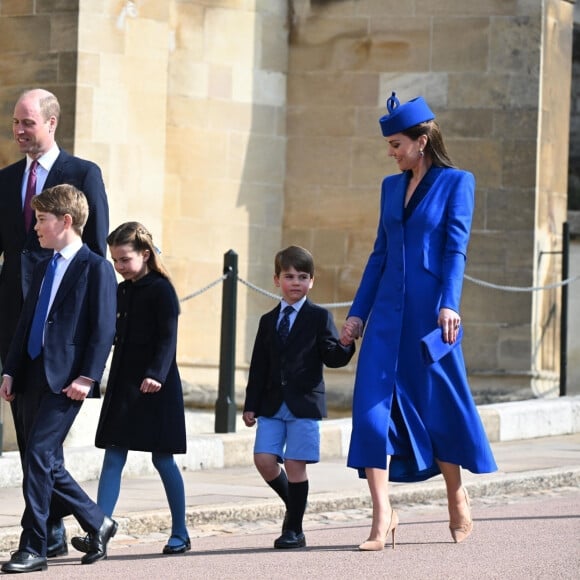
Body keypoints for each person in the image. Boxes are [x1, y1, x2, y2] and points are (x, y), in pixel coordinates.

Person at [341, 93, 498, 551]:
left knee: (439, 409)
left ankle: (456, 494)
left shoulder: (457, 183)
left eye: (396, 145)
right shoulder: (390, 188)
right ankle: (382, 516)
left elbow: (456, 249)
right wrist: (356, 315)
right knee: (370, 414)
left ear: (421, 141)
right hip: (387, 317)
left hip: (432, 318)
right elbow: (379, 255)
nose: (391, 153)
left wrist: (450, 303)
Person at [0, 87, 109, 558]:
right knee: (34, 450)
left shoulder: (82, 174)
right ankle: (67, 530)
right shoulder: (5, 181)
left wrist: (89, 365)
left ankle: (36, 541)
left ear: (51, 122)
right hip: (19, 336)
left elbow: (97, 255)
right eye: (16, 123)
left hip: (65, 347)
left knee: (41, 451)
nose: (19, 130)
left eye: (28, 122)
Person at [70, 222, 190, 556]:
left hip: (156, 386)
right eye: (115, 261)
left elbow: (168, 337)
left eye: (125, 259)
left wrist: (156, 374)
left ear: (145, 254)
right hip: (124, 384)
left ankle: (180, 531)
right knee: (113, 455)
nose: (119, 267)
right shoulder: (122, 291)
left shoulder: (162, 289)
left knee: (163, 459)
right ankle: (99, 532)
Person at [243, 245, 356, 549]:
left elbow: (332, 357)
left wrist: (345, 343)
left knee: (295, 464)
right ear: (276, 279)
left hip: (304, 403)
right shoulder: (268, 321)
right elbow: (259, 366)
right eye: (289, 276)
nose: (296, 282)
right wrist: (250, 404)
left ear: (312, 281)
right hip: (270, 403)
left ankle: (293, 528)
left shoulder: (319, 317)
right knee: (264, 460)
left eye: (303, 277)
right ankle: (296, 505)